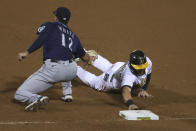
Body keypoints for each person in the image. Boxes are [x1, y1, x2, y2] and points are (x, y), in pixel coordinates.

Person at [14, 7, 93, 111]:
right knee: (69, 56)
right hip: (72, 71)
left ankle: (37, 98)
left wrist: (27, 52)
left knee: (19, 93)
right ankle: (67, 93)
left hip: (54, 70)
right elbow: (85, 58)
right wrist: (89, 59)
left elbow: (41, 38)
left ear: (56, 17)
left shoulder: (50, 25)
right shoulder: (74, 36)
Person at [77, 50, 152, 110]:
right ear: (133, 67)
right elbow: (125, 91)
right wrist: (131, 103)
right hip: (110, 80)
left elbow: (148, 73)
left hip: (118, 66)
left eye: (143, 66)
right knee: (94, 82)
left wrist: (143, 89)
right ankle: (74, 68)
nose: (143, 69)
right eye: (139, 68)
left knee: (110, 66)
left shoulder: (147, 62)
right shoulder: (129, 75)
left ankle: (81, 50)